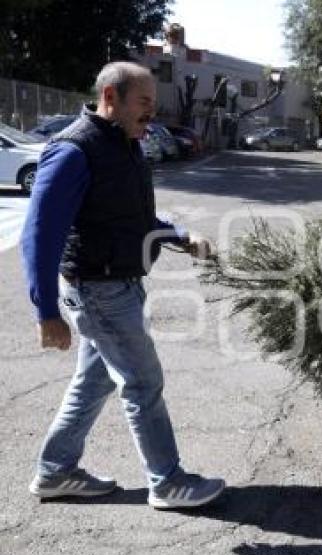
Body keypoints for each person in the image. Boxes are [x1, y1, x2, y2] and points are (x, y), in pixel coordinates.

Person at [20, 62, 225, 509]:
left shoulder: (122, 143)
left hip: (117, 286)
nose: (152, 112)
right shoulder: (74, 150)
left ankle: (55, 472)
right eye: (145, 102)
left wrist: (179, 236)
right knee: (143, 382)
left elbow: (129, 217)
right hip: (100, 291)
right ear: (110, 97)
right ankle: (167, 481)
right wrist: (45, 312)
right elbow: (40, 233)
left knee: (94, 382)